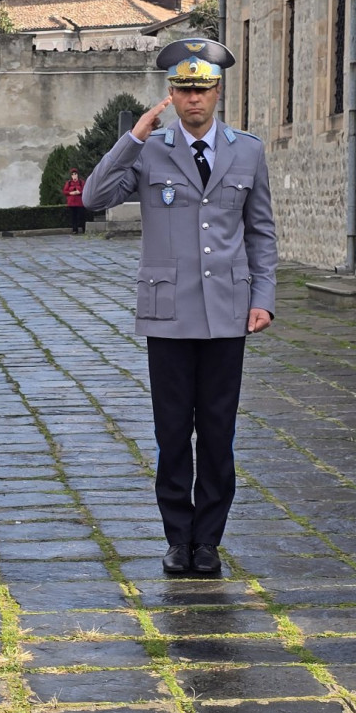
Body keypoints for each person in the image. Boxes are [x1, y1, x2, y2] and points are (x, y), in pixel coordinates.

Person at [82, 37, 278, 577]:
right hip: (167, 314)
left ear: (218, 92)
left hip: (228, 313)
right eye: (184, 89)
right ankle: (177, 537)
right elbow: (94, 197)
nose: (194, 98)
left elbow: (260, 232)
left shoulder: (247, 151)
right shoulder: (150, 150)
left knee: (217, 433)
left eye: (203, 89)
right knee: (171, 434)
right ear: (171, 93)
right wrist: (133, 137)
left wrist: (263, 298)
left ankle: (208, 540)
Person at [63, 168, 87, 234]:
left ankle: (84, 229)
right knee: (73, 217)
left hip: (80, 203)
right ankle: (75, 230)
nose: (74, 176)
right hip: (72, 203)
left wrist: (79, 192)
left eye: (75, 174)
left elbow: (85, 190)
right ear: (71, 176)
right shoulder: (69, 183)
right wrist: (70, 193)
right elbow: (65, 191)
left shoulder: (81, 182)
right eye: (72, 174)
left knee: (81, 216)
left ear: (77, 175)